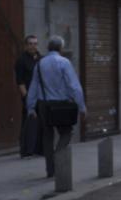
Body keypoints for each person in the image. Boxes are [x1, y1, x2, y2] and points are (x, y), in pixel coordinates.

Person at [26, 36, 87, 178]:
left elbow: (33, 87)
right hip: (61, 105)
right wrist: (82, 107)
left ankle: (50, 170)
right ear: (61, 48)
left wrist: (30, 107)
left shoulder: (39, 64)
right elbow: (74, 87)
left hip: (43, 105)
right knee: (66, 132)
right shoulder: (64, 62)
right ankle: (58, 156)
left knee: (47, 136)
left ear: (48, 48)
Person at [14, 34, 41, 157]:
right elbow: (20, 82)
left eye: (35, 43)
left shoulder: (42, 59)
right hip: (29, 96)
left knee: (40, 122)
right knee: (28, 122)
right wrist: (26, 98)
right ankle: (26, 150)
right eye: (30, 44)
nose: (33, 46)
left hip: (41, 96)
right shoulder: (21, 61)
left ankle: (38, 149)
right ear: (26, 45)